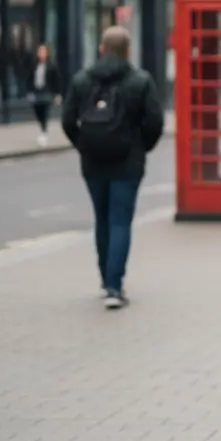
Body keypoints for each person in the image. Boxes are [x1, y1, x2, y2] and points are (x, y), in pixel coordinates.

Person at [61, 26, 165, 309]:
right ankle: (114, 287)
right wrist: (141, 147)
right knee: (119, 220)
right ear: (128, 50)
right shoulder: (140, 81)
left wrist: (83, 145)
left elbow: (68, 120)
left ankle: (104, 280)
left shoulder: (82, 80)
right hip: (127, 162)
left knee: (102, 219)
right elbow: (155, 122)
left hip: (93, 162)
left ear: (102, 49)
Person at [29, 44, 62, 146]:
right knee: (37, 110)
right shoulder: (35, 65)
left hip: (47, 92)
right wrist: (29, 90)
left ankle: (44, 131)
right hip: (36, 91)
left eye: (43, 52)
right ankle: (42, 128)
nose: (41, 54)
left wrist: (57, 94)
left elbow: (57, 80)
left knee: (45, 112)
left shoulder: (51, 66)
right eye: (40, 52)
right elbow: (30, 78)